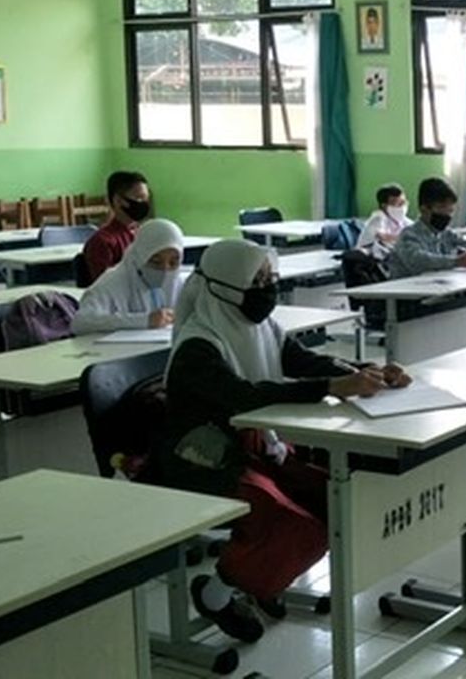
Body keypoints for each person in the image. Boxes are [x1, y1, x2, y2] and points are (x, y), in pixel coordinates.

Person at [154, 239, 393, 642]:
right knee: (288, 522)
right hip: (199, 457)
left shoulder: (261, 326)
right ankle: (215, 595)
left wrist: (368, 371)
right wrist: (334, 384)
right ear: (225, 283)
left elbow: (302, 361)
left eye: (270, 277)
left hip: (251, 447)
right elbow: (246, 396)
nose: (267, 288)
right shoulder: (199, 343)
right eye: (257, 279)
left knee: (330, 498)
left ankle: (260, 579)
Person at [72, 219, 185, 335]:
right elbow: (80, 322)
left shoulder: (178, 282)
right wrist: (142, 320)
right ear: (140, 256)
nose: (165, 269)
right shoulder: (113, 282)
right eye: (155, 262)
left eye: (173, 263)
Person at [387, 177, 466, 278]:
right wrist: (456, 261)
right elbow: (419, 261)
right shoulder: (409, 235)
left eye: (450, 210)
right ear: (424, 209)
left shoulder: (446, 233)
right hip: (408, 295)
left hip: (436, 289)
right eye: (441, 208)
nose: (447, 214)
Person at [83, 170, 151, 283]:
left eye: (146, 199)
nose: (144, 203)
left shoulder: (145, 234)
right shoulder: (102, 241)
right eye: (139, 198)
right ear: (119, 201)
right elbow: (105, 284)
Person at [357, 183, 412, 257]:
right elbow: (382, 236)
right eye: (398, 204)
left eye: (404, 202)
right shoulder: (378, 218)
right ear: (384, 206)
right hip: (367, 257)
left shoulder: (404, 220)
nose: (402, 207)